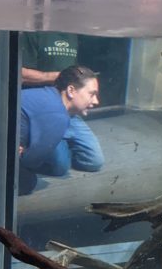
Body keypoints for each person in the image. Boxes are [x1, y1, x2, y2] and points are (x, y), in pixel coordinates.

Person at [21, 33, 104, 178]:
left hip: (69, 108)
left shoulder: (72, 35)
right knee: (60, 167)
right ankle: (51, 142)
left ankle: (56, 141)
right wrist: (57, 77)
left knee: (94, 161)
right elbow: (19, 73)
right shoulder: (32, 35)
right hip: (47, 109)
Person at [19, 65, 100, 195]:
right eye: (92, 94)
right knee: (28, 182)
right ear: (71, 91)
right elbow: (31, 161)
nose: (96, 101)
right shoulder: (58, 116)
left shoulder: (50, 94)